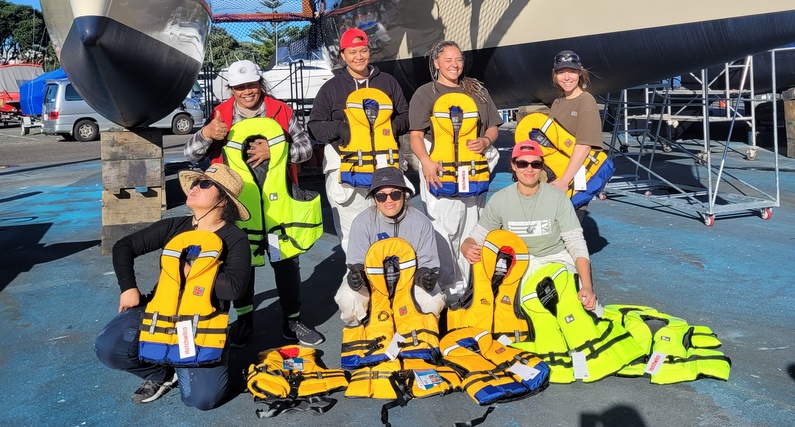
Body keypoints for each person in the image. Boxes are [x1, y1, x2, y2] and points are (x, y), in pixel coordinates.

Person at [184, 59, 324, 347]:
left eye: (251, 85)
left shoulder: (281, 112)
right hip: (236, 206)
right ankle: (245, 321)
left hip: (279, 203)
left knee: (286, 262)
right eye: (239, 87)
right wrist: (206, 134)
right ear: (232, 89)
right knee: (240, 265)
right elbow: (192, 154)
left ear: (260, 83)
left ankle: (292, 321)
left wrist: (276, 149)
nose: (247, 91)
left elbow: (307, 149)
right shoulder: (220, 115)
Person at [94, 164, 251, 409]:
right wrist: (128, 287)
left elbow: (234, 289)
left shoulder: (234, 238)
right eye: (196, 182)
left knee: (202, 399)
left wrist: (191, 270)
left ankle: (187, 361)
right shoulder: (175, 226)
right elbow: (124, 246)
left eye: (205, 184)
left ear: (223, 201)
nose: (196, 187)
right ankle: (161, 374)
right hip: (160, 311)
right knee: (109, 347)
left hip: (200, 323)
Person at [408, 40, 502, 300]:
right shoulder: (425, 93)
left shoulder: (477, 91)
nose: (454, 65)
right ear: (436, 63)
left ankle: (471, 288)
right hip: (440, 170)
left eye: (458, 59)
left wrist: (486, 140)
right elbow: (416, 134)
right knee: (444, 229)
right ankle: (448, 291)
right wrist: (426, 163)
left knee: (473, 228)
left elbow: (493, 125)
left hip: (474, 172)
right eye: (447, 60)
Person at [307, 28, 411, 256]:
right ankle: (360, 286)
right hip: (347, 174)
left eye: (363, 51)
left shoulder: (388, 82)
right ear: (342, 55)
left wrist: (393, 126)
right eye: (352, 52)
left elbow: (406, 116)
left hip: (387, 170)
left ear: (369, 52)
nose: (358, 57)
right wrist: (340, 129)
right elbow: (314, 125)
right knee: (353, 236)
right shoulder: (331, 89)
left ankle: (391, 286)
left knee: (392, 232)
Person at [460, 140, 597, 311]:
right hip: (518, 267)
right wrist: (466, 247)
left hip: (555, 261)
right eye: (522, 163)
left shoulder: (558, 198)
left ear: (542, 167)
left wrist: (587, 286)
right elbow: (476, 237)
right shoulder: (500, 200)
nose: (529, 169)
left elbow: (576, 243)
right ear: (513, 165)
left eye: (536, 164)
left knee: (574, 308)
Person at [336, 167, 445, 326]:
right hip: (372, 284)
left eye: (395, 194)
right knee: (348, 298)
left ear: (404, 195)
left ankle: (420, 336)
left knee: (433, 300)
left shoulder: (421, 223)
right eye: (381, 196)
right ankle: (360, 332)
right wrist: (357, 276)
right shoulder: (362, 222)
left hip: (410, 283)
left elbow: (428, 262)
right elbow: (356, 261)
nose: (389, 200)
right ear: (374, 199)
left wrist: (424, 277)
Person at [548, 50, 604, 221]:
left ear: (580, 73)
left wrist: (564, 182)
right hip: (555, 175)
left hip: (574, 178)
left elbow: (584, 145)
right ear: (555, 75)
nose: (566, 77)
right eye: (561, 72)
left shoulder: (586, 101)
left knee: (570, 235)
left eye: (571, 71)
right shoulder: (558, 102)